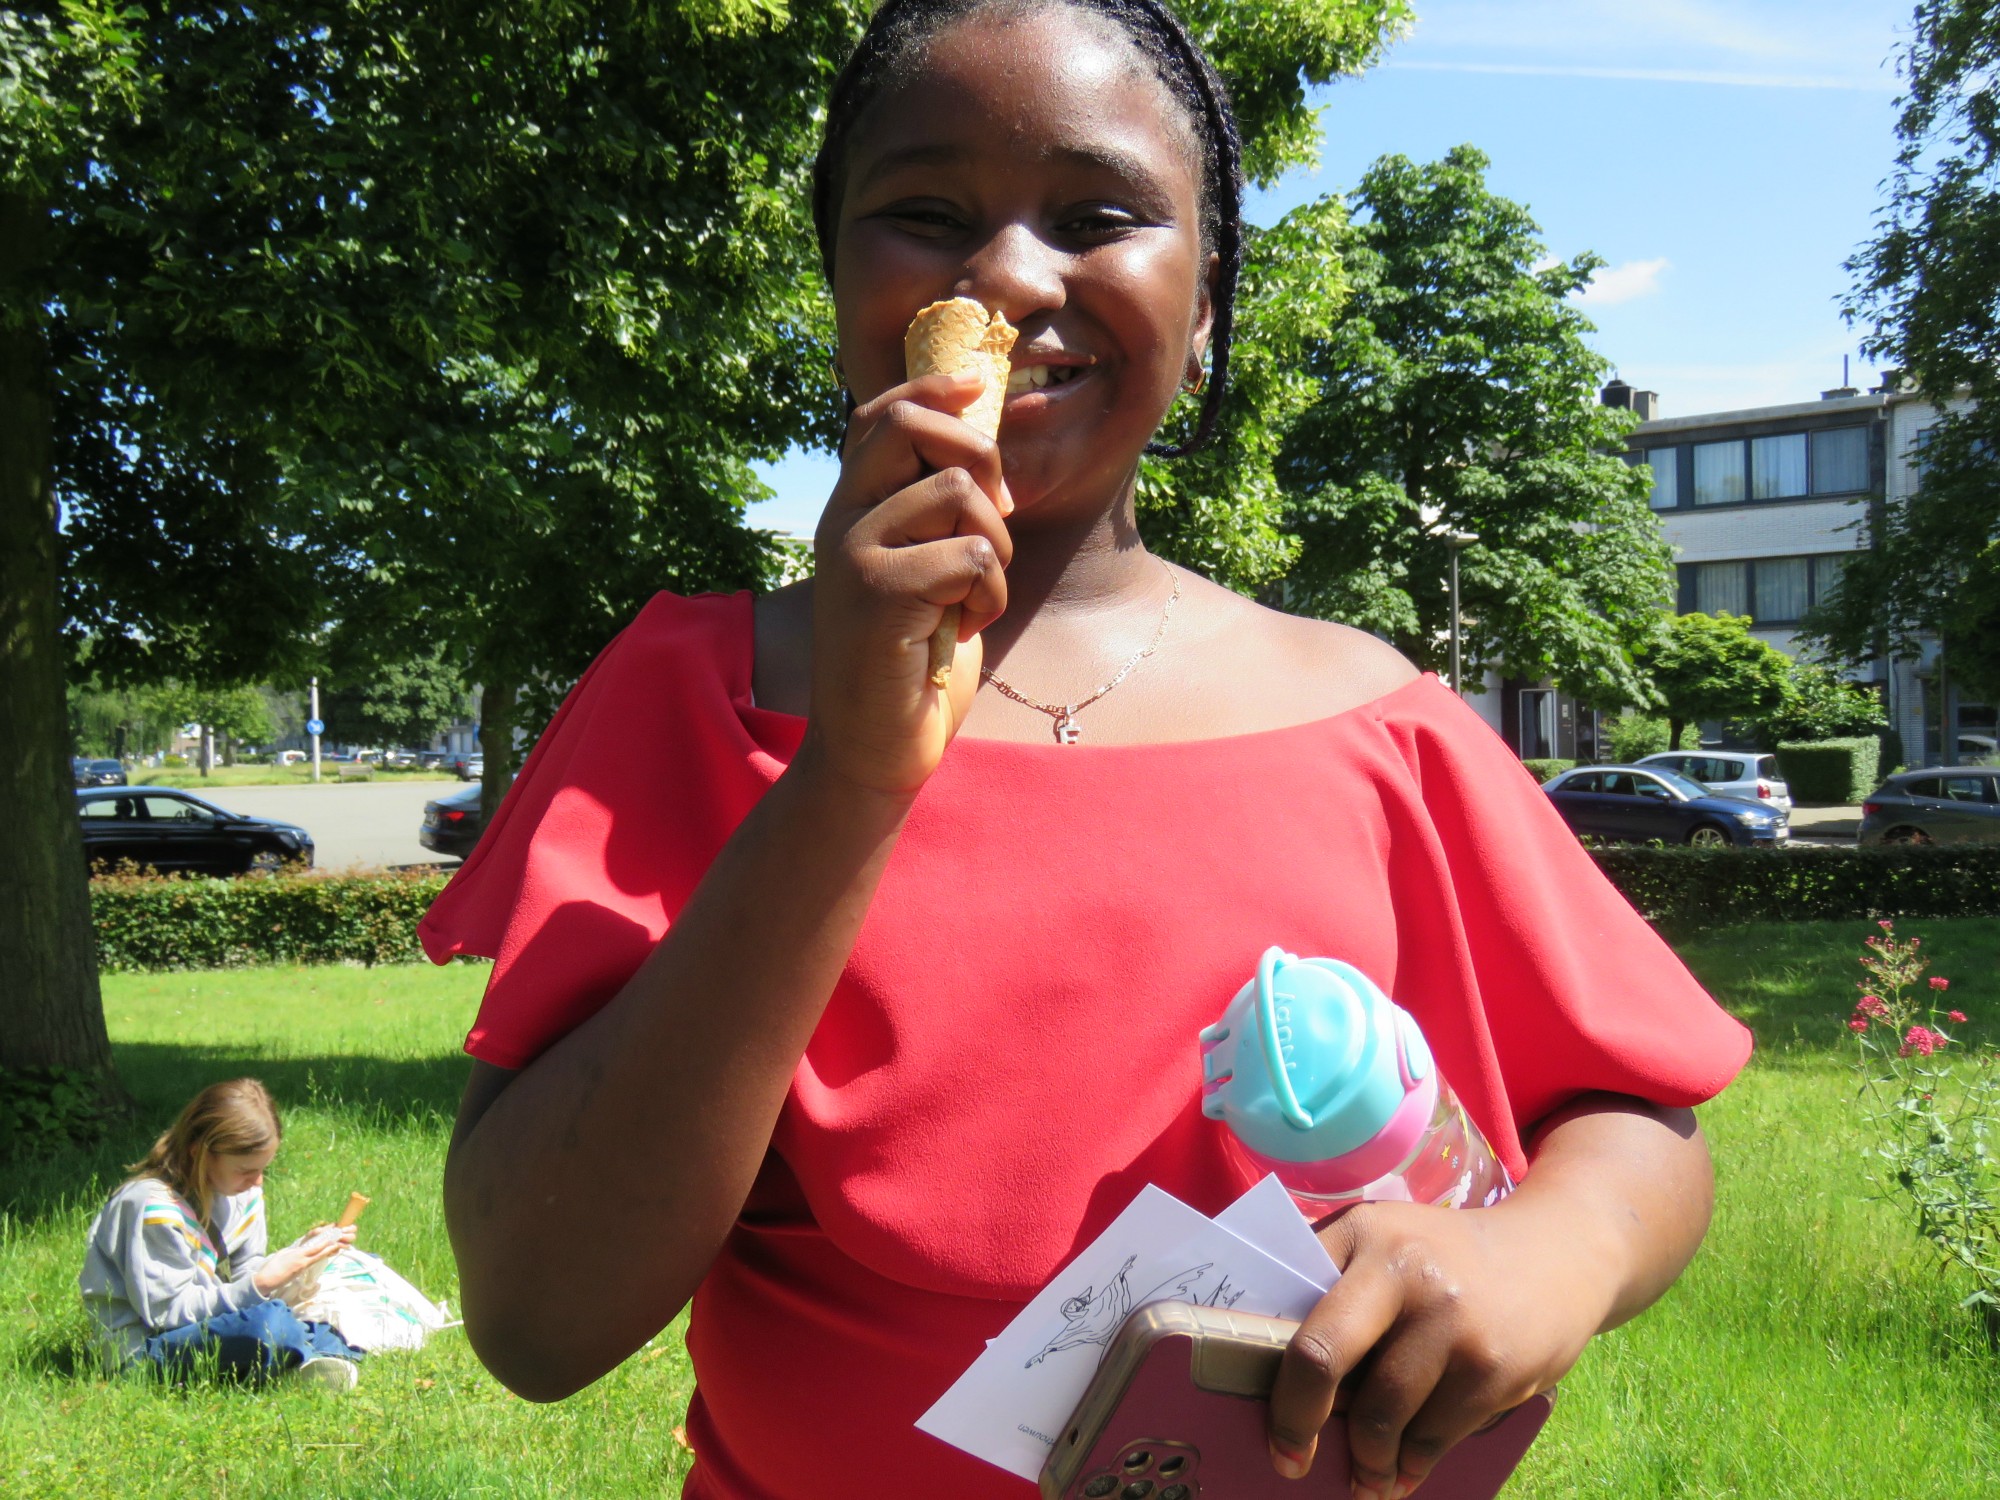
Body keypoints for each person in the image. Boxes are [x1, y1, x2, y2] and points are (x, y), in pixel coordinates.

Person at [428, 2, 1752, 1496]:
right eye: (922, 216)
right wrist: (850, 777)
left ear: (1205, 310)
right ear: (841, 290)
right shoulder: (692, 691)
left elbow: (1637, 1120)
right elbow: (539, 1315)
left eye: (1100, 214)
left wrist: (1551, 1254)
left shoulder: (1372, 719)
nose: (1003, 273)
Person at [79, 1078, 362, 1388]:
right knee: (268, 1325)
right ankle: (313, 1353)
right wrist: (263, 1283)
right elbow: (166, 1313)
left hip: (205, 1324)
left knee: (332, 1289)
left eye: (263, 1169)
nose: (256, 1181)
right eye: (246, 1170)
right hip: (144, 1348)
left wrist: (302, 1254)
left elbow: (247, 1270)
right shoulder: (152, 1208)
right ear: (199, 1153)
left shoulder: (242, 1191)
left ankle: (304, 1358)